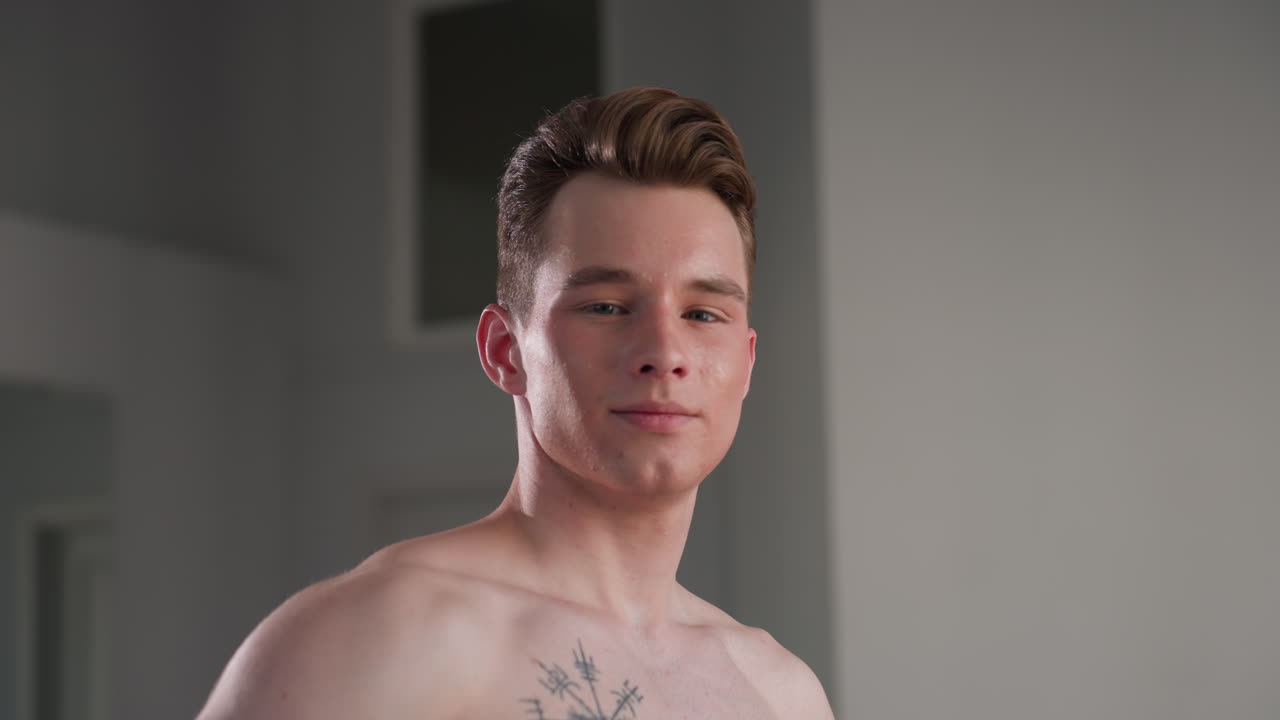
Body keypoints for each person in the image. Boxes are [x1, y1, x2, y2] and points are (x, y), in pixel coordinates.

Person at [197, 87, 834, 719]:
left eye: (702, 313)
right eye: (607, 307)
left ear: (747, 361)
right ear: (506, 349)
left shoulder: (781, 694)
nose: (664, 352)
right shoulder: (373, 643)